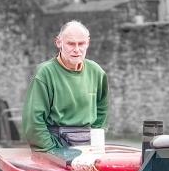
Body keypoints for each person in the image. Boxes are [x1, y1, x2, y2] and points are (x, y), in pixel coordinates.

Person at [21, 20, 108, 151]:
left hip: (88, 145)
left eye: (81, 43)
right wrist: (51, 150)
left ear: (88, 43)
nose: (77, 49)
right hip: (56, 144)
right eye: (71, 43)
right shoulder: (45, 73)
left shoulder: (97, 72)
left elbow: (102, 111)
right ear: (58, 42)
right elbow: (33, 121)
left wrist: (93, 142)